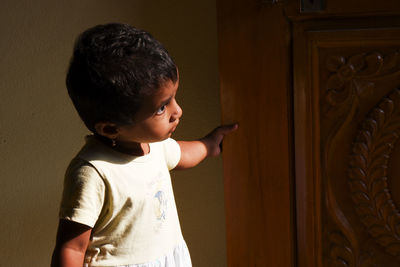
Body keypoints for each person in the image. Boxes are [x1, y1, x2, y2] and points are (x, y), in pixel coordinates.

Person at [51, 23, 237, 267]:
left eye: (173, 99)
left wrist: (208, 145)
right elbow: (71, 248)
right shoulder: (93, 172)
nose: (177, 111)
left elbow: (181, 154)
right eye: (162, 107)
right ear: (110, 128)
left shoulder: (153, 145)